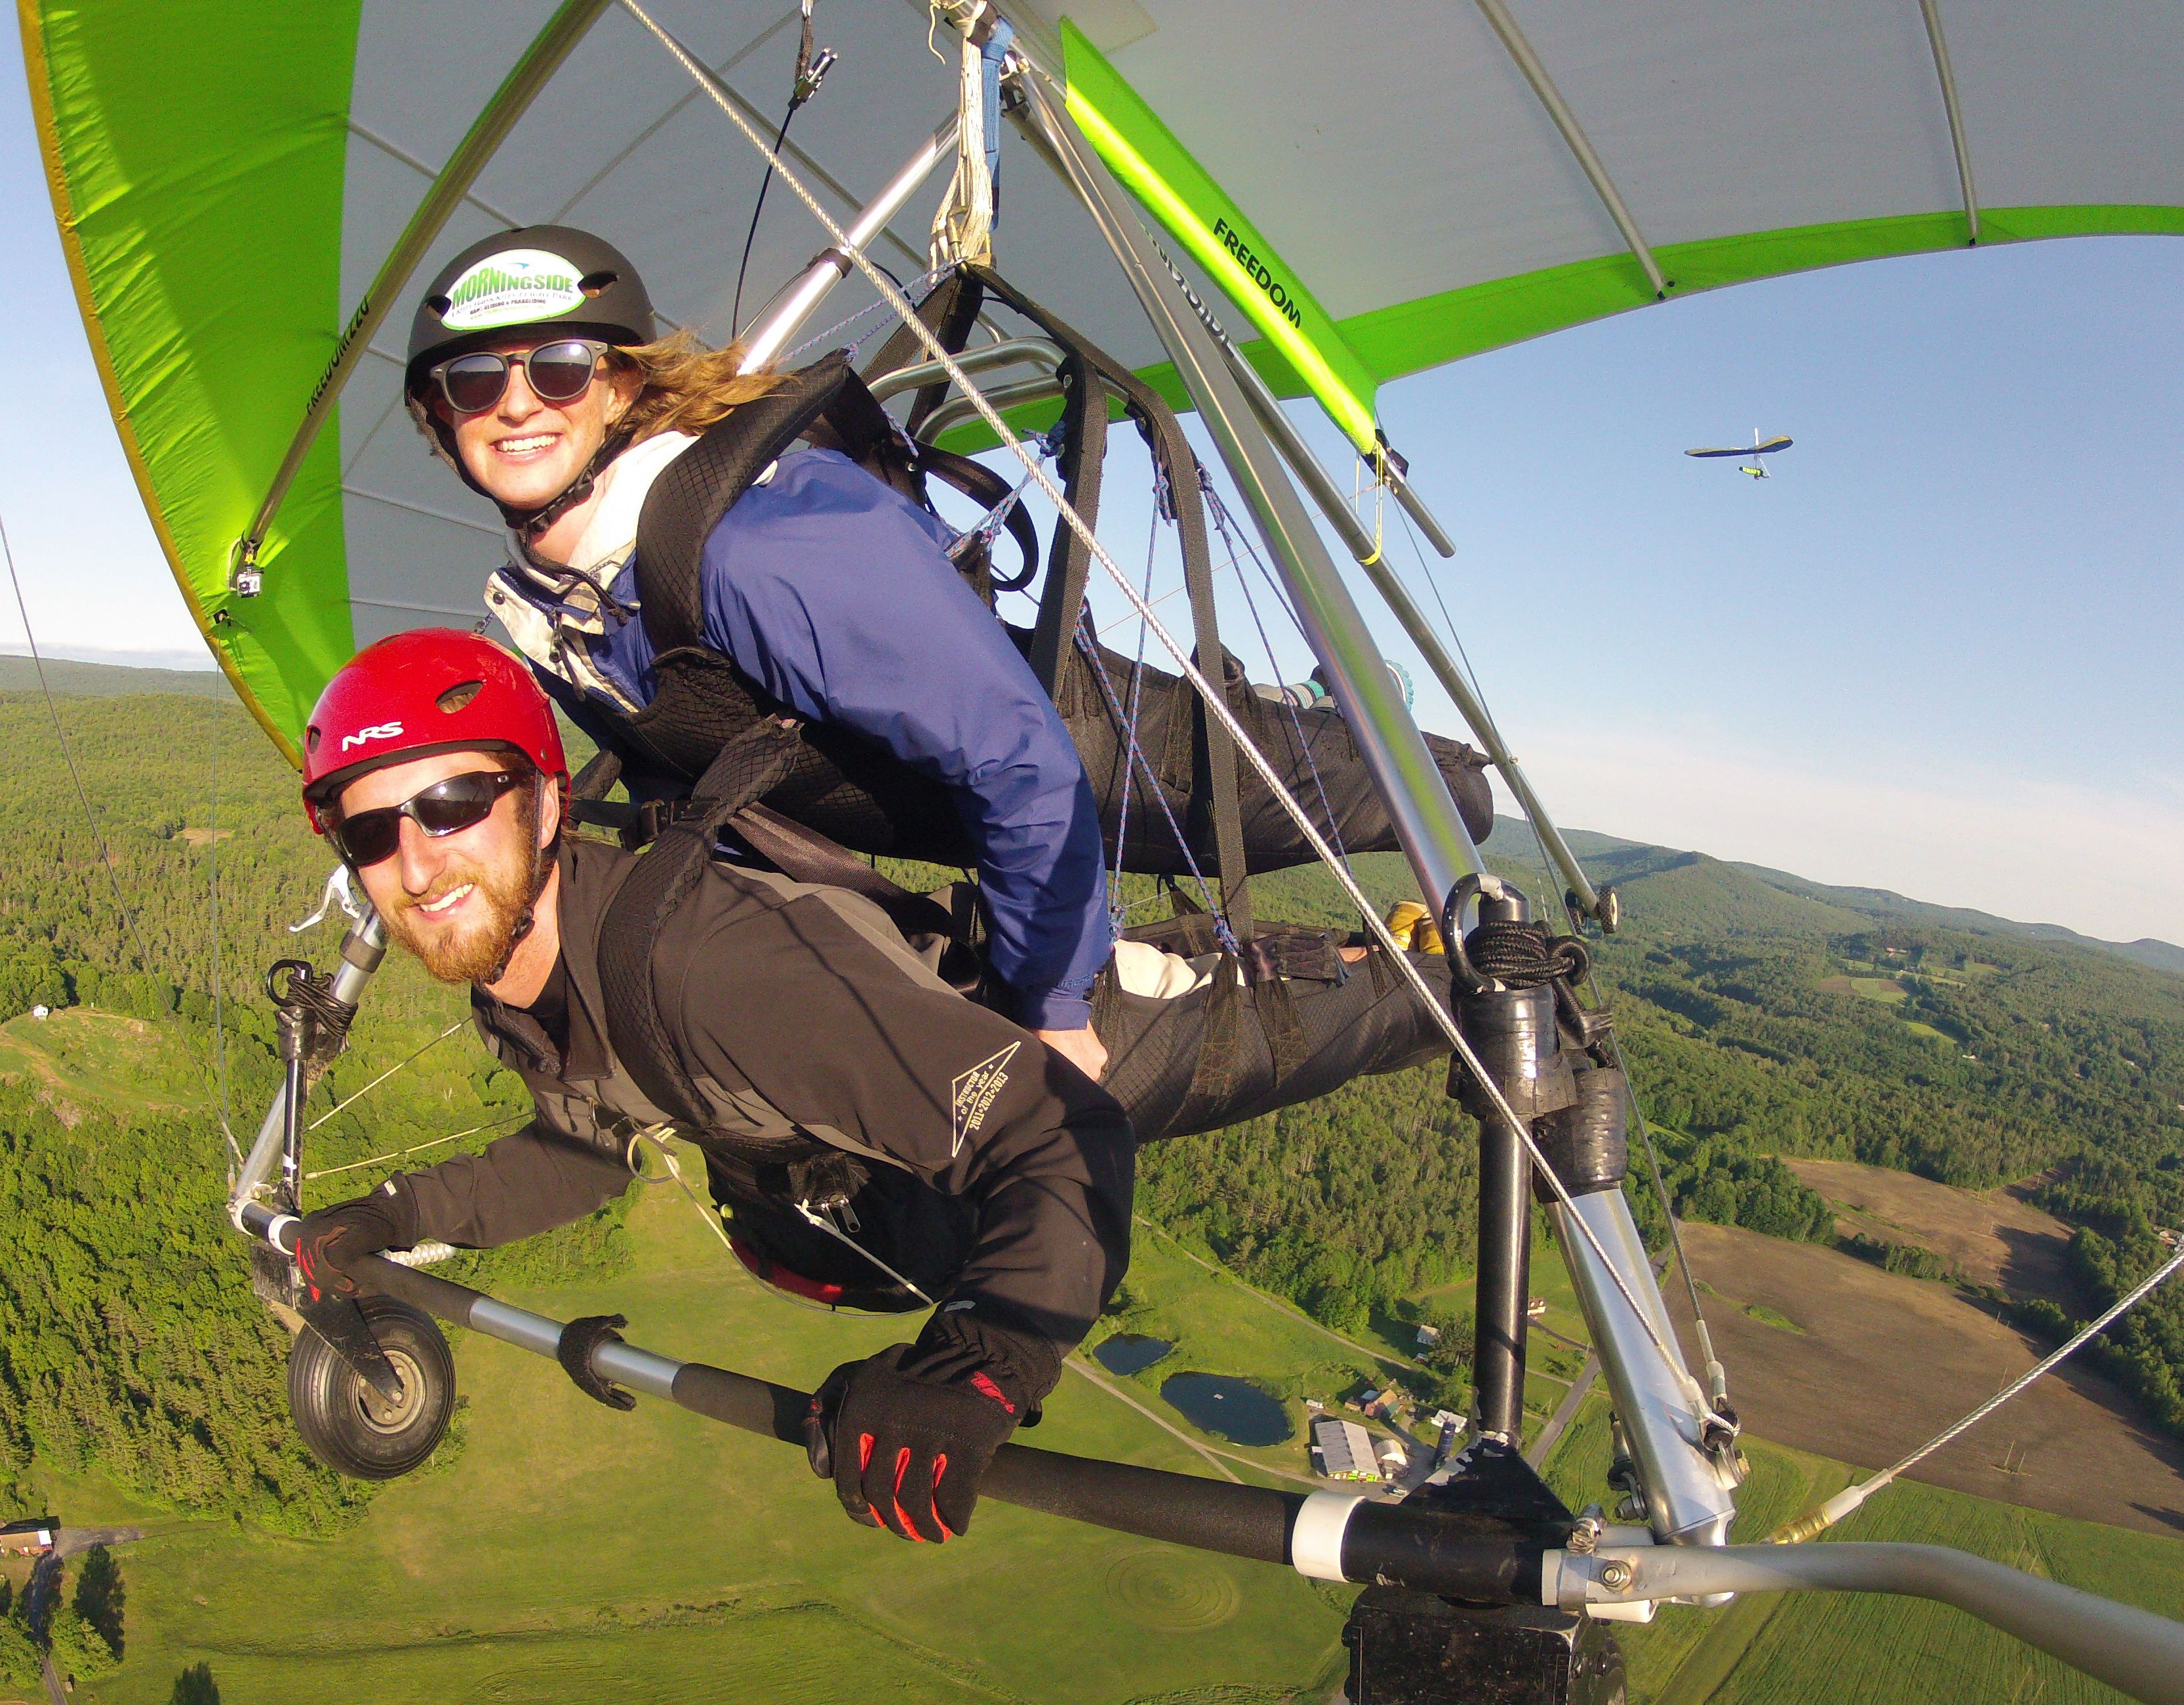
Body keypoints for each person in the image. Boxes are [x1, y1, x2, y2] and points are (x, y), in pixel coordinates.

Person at [288, 631, 1458, 1540]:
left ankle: (1464, 945)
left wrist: (985, 1365)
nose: (418, 860)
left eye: (451, 805)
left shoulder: (708, 967)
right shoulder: (524, 969)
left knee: (1394, 1007)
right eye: (373, 835)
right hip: (904, 1127)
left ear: (544, 800)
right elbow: (584, 1147)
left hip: (1045, 1064)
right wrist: (394, 1221)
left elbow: (1058, 1130)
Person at [403, 226, 1116, 1083]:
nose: (517, 404)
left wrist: (1053, 1004)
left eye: (557, 367)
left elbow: (1017, 751)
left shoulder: (753, 556)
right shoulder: (573, 606)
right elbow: (698, 779)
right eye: (476, 382)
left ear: (619, 387)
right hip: (916, 814)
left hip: (1070, 785)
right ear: (444, 416)